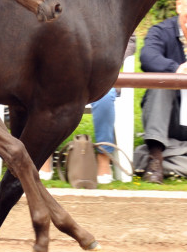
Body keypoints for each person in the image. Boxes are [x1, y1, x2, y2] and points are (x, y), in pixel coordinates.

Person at [40, 35, 137, 184]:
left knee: (105, 97)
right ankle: (46, 153)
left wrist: (108, 61)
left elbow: (130, 39)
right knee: (50, 91)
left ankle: (103, 156)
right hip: (68, 71)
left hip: (103, 72)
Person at [133, 0, 187, 183]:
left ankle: (148, 159)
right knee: (161, 82)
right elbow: (147, 57)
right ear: (179, 6)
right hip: (169, 120)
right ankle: (156, 158)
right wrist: (176, 70)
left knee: (138, 156)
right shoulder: (161, 31)